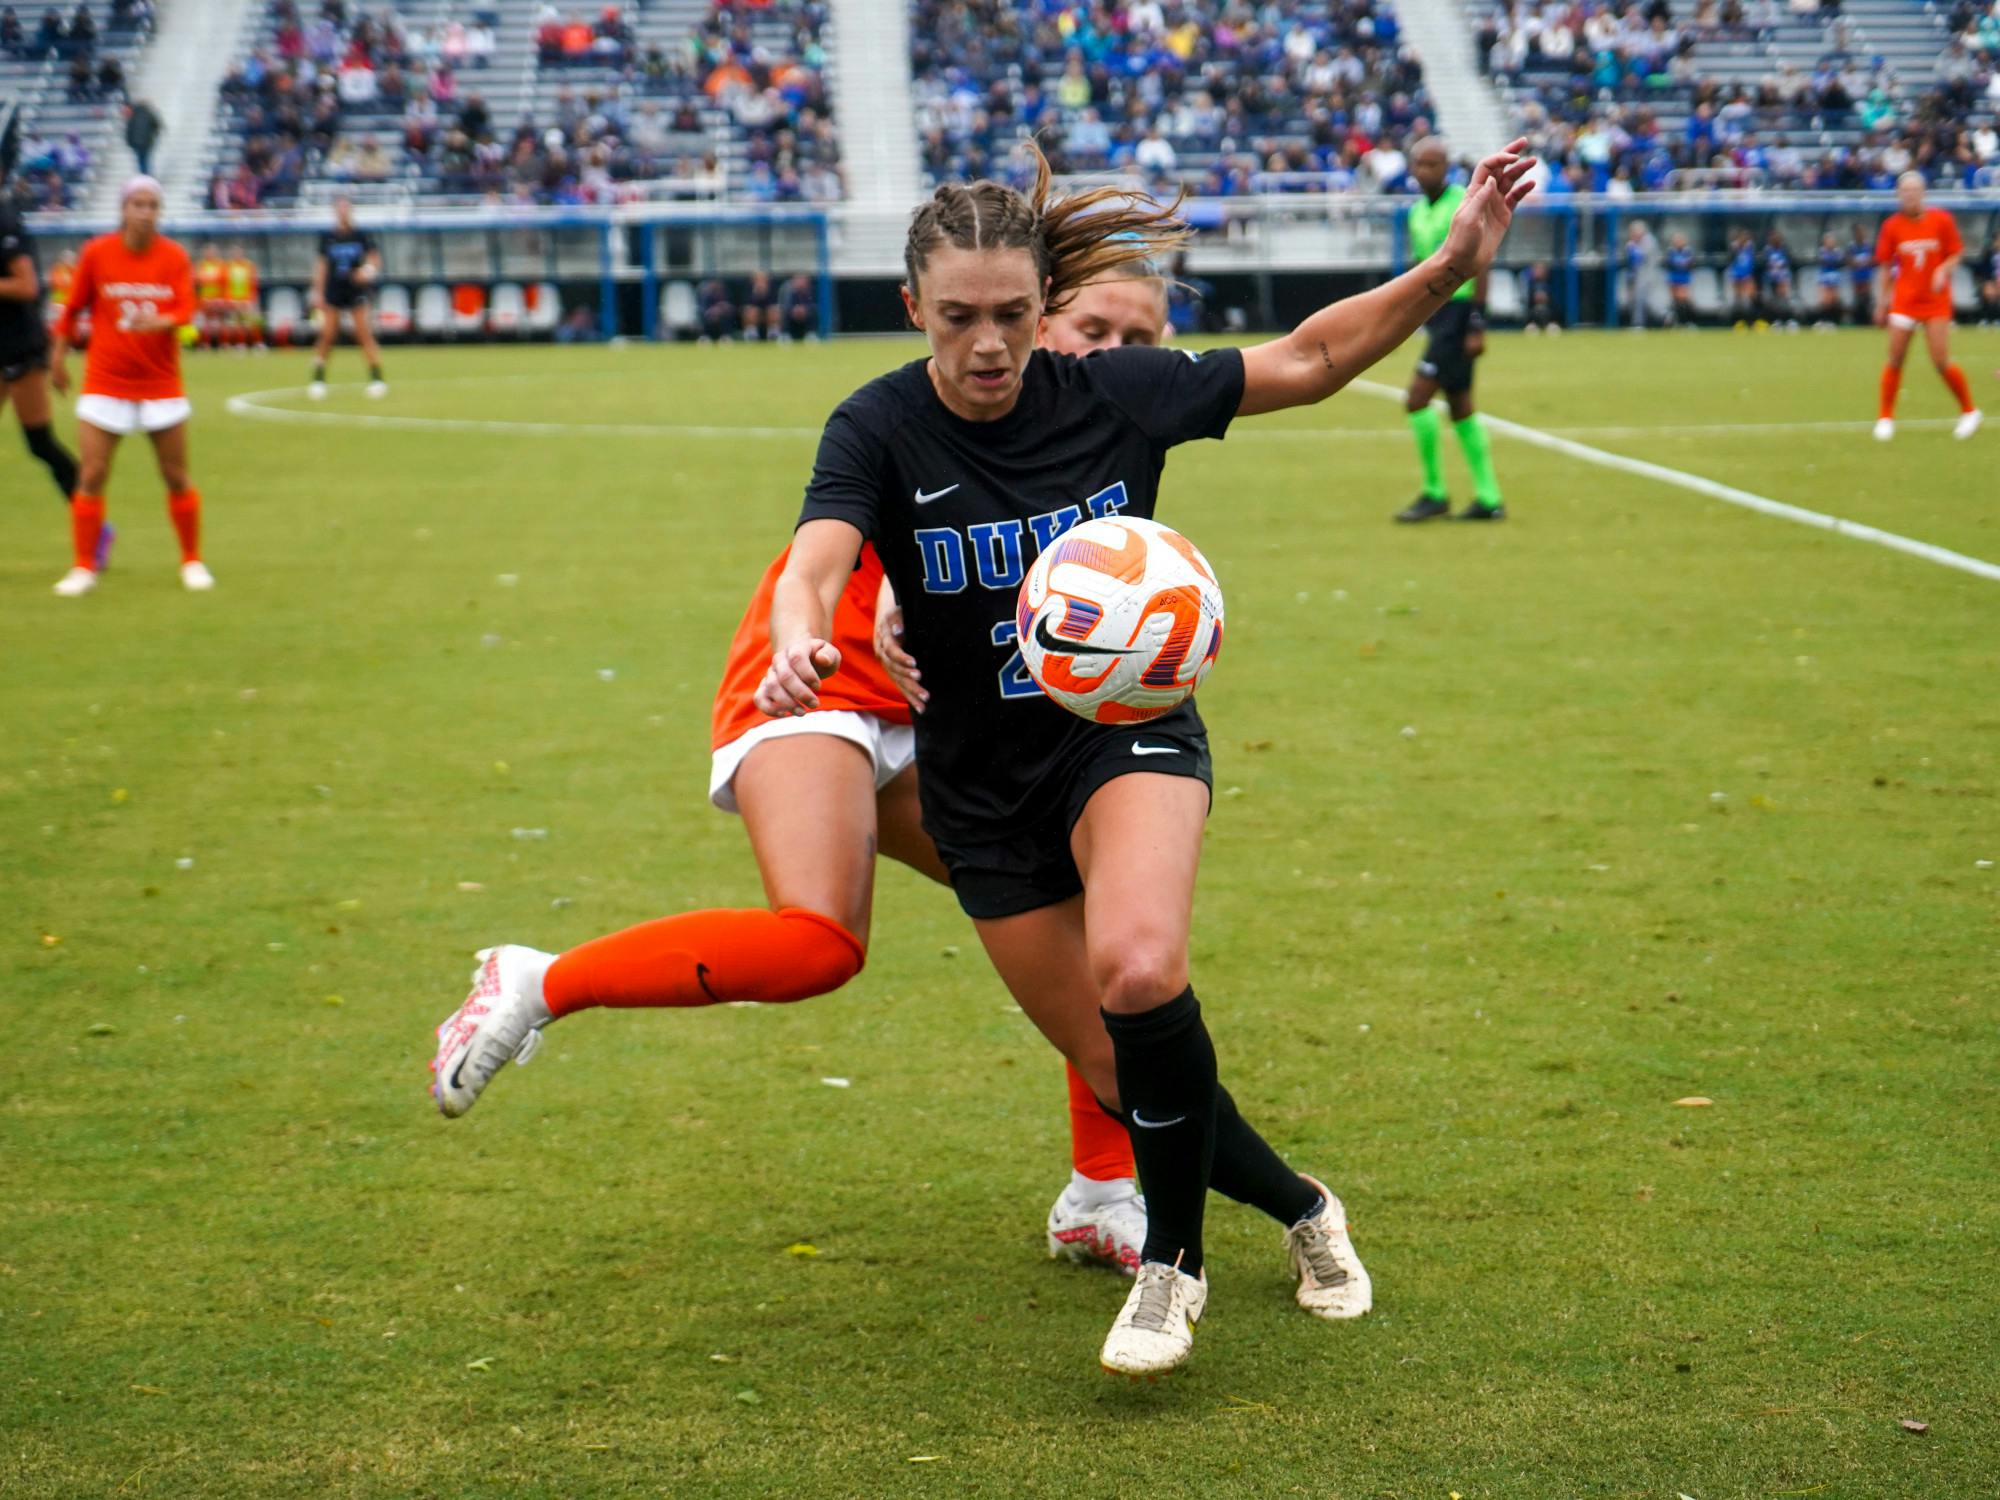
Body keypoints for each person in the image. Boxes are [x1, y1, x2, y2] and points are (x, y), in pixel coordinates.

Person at [764, 140, 1531, 1376]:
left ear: (1041, 304)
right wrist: (804, 638)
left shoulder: (1115, 390)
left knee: (1137, 965)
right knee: (1120, 1066)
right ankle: (1301, 1208)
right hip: (982, 791)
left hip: (1128, 734)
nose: (989, 345)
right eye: (957, 318)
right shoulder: (877, 425)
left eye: (1013, 314)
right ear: (911, 308)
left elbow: (1313, 357)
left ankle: (1171, 1265)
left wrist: (1447, 265)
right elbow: (813, 559)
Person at [430, 263, 1187, 1281]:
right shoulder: (930, 400)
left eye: (1136, 339)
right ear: (1036, 318)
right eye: (1092, 327)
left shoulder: (1092, 427)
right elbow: (846, 545)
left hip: (937, 723)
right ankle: (539, 981)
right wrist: (876, 609)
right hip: (812, 681)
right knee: (819, 940)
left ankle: (1099, 1194)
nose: (1109, 355)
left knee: (1072, 912)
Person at [48, 175, 210, 596]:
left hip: (160, 383)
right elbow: (73, 307)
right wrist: (57, 356)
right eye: (137, 204)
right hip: (106, 380)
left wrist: (161, 320)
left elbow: (187, 309)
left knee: (175, 475)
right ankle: (84, 567)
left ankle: (191, 561)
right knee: (93, 473)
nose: (145, 212)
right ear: (123, 209)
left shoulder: (174, 257)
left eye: (152, 205)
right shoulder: (97, 253)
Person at [1394, 137, 1505, 523]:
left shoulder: (1463, 202)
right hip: (1438, 316)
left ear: (1446, 166)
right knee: (1460, 406)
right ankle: (1489, 499)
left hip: (1459, 315)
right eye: (1419, 164)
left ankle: (1435, 493)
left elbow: (1482, 261)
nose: (1424, 171)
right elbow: (1419, 267)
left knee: (1416, 399)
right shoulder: (1416, 213)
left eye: (1432, 164)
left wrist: (1477, 322)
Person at [0, 193, 92, 551]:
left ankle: (92, 520)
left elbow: (27, 285)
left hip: (20, 347)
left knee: (40, 443)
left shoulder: (6, 221)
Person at [1872, 171, 1979, 441]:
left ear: (1923, 193)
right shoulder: (1891, 226)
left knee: (1940, 360)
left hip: (1935, 301)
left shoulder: (1941, 220)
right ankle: (1885, 418)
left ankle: (1969, 410)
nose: (1909, 195)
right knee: (1895, 357)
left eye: (1914, 190)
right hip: (1904, 301)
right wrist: (1881, 302)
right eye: (1904, 191)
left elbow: (1956, 253)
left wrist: (1943, 269)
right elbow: (1885, 266)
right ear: (1898, 195)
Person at [307, 196, 386, 399]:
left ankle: (377, 378)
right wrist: (318, 293)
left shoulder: (360, 236)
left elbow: (374, 259)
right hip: (334, 290)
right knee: (327, 335)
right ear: (335, 211)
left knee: (363, 334)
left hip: (355, 290)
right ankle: (318, 378)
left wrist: (366, 271)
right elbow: (322, 267)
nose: (343, 211)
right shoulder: (328, 237)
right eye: (339, 208)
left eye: (346, 208)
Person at [224, 241, 263, 351]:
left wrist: (250, 299)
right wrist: (231, 300)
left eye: (239, 252)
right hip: (234, 300)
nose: (237, 255)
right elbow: (226, 285)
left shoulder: (249, 266)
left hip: (247, 300)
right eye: (234, 253)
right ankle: (239, 344)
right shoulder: (228, 267)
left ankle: (257, 343)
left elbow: (253, 283)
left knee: (252, 322)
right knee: (236, 324)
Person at [193, 240, 227, 350]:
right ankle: (204, 344)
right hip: (204, 300)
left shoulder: (221, 266)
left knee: (219, 323)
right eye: (208, 252)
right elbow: (196, 282)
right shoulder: (200, 265)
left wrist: (221, 299)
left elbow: (224, 283)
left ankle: (223, 344)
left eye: (212, 252)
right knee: (204, 323)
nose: (210, 254)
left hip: (217, 300)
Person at [1760, 229, 1796, 328]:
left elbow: (1790, 262)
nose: (1775, 239)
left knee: (1784, 299)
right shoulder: (1767, 250)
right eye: (1773, 237)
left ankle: (1789, 320)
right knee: (1773, 301)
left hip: (1783, 278)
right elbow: (1763, 264)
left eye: (1777, 237)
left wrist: (1782, 267)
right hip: (1771, 279)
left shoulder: (1784, 249)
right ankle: (1776, 321)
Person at [1847, 223, 1876, 326]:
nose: (1862, 234)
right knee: (1857, 299)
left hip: (1867, 277)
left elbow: (1874, 260)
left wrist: (1865, 261)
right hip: (1856, 278)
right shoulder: (1852, 247)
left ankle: (1868, 321)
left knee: (1867, 298)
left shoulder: (1869, 246)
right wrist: (1857, 262)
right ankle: (1857, 321)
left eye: (1863, 232)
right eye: (1859, 232)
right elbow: (1849, 262)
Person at [1664, 232, 1695, 326]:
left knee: (1684, 301)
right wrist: (1680, 264)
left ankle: (1687, 322)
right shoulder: (1671, 251)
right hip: (1674, 279)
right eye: (1676, 240)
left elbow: (1690, 265)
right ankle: (1675, 323)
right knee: (1675, 302)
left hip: (1684, 279)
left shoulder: (1688, 251)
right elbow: (1669, 264)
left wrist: (1683, 264)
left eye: (1680, 240)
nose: (1678, 242)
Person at [739, 268, 780, 341]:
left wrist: (765, 294)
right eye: (758, 279)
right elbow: (747, 304)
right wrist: (756, 294)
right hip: (754, 314)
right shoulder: (748, 288)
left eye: (762, 278)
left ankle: (773, 334)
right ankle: (751, 334)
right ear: (753, 280)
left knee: (773, 311)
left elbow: (774, 303)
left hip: (768, 313)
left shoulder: (772, 288)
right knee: (751, 311)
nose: (760, 281)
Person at [1813, 232, 1844, 329]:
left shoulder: (1837, 251)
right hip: (1824, 277)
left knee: (1833, 300)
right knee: (1824, 300)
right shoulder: (1822, 251)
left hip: (1834, 277)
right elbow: (1824, 261)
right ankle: (1822, 321)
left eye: (1832, 241)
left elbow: (1840, 262)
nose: (1830, 243)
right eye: (1828, 241)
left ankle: (1832, 321)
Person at [1727, 228, 1758, 325]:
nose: (1744, 239)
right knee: (1738, 299)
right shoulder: (1734, 248)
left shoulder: (1750, 248)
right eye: (1742, 237)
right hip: (1737, 277)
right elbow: (1731, 261)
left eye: (1746, 237)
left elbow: (1752, 262)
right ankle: (1737, 322)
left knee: (1750, 299)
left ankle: (1751, 322)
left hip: (1747, 276)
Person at [122, 98, 159, 175]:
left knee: (143, 161)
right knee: (143, 161)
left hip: (144, 142)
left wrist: (152, 135)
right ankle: (145, 177)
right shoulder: (134, 116)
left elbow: (156, 125)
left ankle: (145, 177)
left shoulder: (139, 115)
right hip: (140, 143)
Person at [779, 272, 815, 342]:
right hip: (791, 314)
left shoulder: (810, 291)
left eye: (802, 280)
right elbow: (785, 304)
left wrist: (805, 309)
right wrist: (794, 309)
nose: (800, 283)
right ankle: (785, 335)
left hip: (805, 314)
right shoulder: (788, 291)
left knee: (814, 312)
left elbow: (812, 304)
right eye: (798, 280)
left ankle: (811, 334)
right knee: (783, 312)